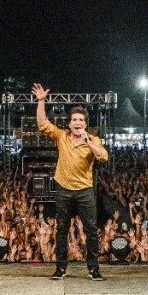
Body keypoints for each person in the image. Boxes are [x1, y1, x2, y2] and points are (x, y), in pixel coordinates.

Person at [32, 83, 108, 281]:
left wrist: (88, 140)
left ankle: (93, 269)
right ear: (69, 123)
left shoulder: (93, 140)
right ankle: (60, 268)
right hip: (64, 189)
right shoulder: (61, 136)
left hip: (84, 191)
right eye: (74, 119)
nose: (77, 122)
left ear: (85, 124)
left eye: (81, 120)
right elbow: (42, 123)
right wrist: (41, 101)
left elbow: (103, 157)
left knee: (91, 230)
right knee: (62, 229)